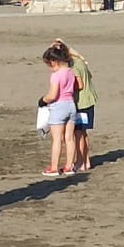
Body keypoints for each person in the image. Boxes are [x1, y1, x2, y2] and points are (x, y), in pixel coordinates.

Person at [48, 39, 97, 173]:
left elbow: (79, 85)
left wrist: (65, 85)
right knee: (82, 133)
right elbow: (90, 76)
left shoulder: (72, 66)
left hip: (81, 102)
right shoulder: (80, 61)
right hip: (89, 99)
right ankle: (85, 161)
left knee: (79, 133)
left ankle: (81, 161)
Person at [40, 46, 77, 177]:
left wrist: (43, 100)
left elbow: (53, 95)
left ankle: (54, 167)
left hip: (59, 106)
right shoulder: (70, 71)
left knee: (57, 139)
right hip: (71, 105)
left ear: (53, 61)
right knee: (69, 138)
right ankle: (69, 166)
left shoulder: (56, 75)